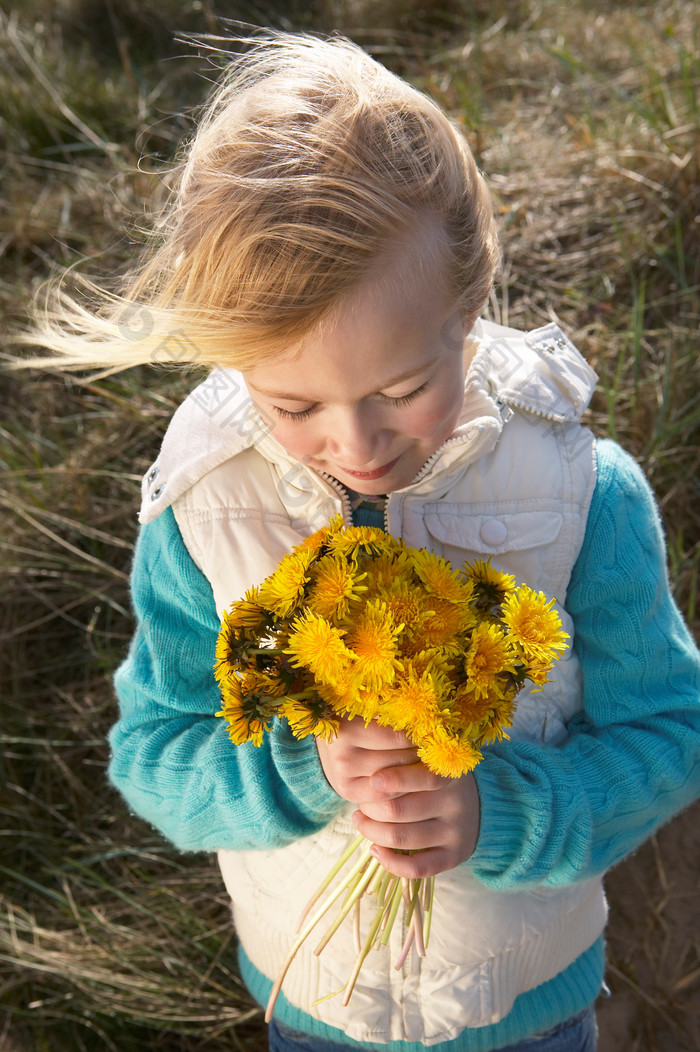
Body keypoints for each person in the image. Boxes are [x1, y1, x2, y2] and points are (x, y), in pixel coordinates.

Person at [23, 31, 700, 1052]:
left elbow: (669, 735)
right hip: (313, 1004)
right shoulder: (205, 512)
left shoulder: (579, 494)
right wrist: (301, 768)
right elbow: (158, 755)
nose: (354, 441)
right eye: (292, 401)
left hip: (531, 1005)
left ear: (467, 304)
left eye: (400, 389)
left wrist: (500, 811)